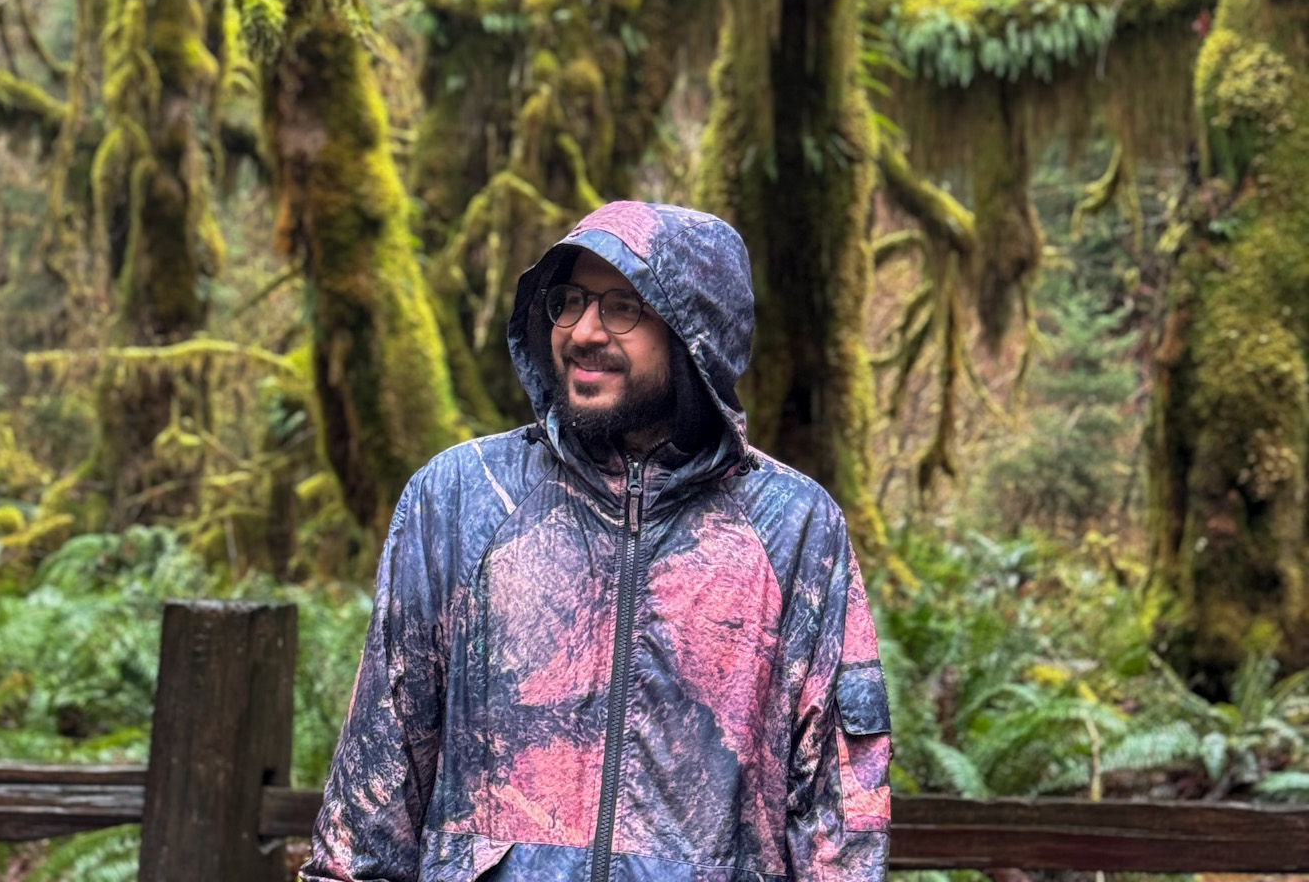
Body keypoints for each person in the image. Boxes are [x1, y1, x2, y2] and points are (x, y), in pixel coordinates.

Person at [304, 199, 891, 882]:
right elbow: (376, 786)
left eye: (623, 307)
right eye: (571, 300)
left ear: (695, 331)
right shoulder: (460, 499)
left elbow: (839, 809)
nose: (583, 331)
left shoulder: (792, 527)